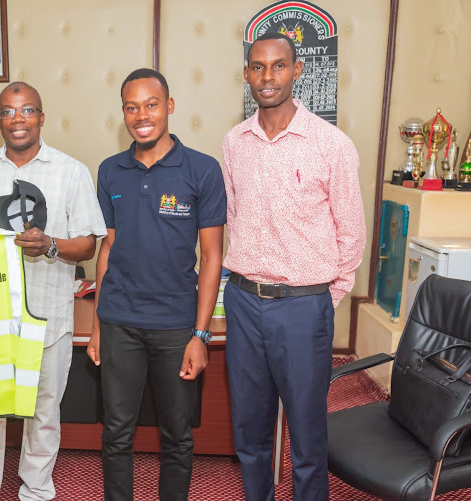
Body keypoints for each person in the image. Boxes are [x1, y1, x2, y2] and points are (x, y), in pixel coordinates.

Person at [0, 81, 107, 501]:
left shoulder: (71, 171)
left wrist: (50, 244)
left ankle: (36, 490)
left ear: (41, 117)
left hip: (48, 314)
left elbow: (90, 243)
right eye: (8, 112)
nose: (18, 119)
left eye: (27, 110)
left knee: (44, 411)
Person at [222, 32, 366, 500]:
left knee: (306, 436)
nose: (268, 77)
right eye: (258, 67)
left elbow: (352, 234)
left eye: (278, 66)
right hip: (243, 301)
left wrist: (325, 298)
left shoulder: (331, 144)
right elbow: (230, 217)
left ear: (297, 71)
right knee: (250, 431)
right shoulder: (233, 143)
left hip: (303, 308)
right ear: (246, 74)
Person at [88, 68, 226, 501]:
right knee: (115, 433)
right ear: (123, 113)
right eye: (132, 107)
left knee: (177, 436)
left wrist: (200, 335)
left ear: (169, 106)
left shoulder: (202, 170)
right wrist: (96, 325)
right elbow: (106, 249)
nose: (141, 115)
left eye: (151, 104)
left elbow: (213, 257)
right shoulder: (110, 171)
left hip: (175, 326)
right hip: (119, 322)